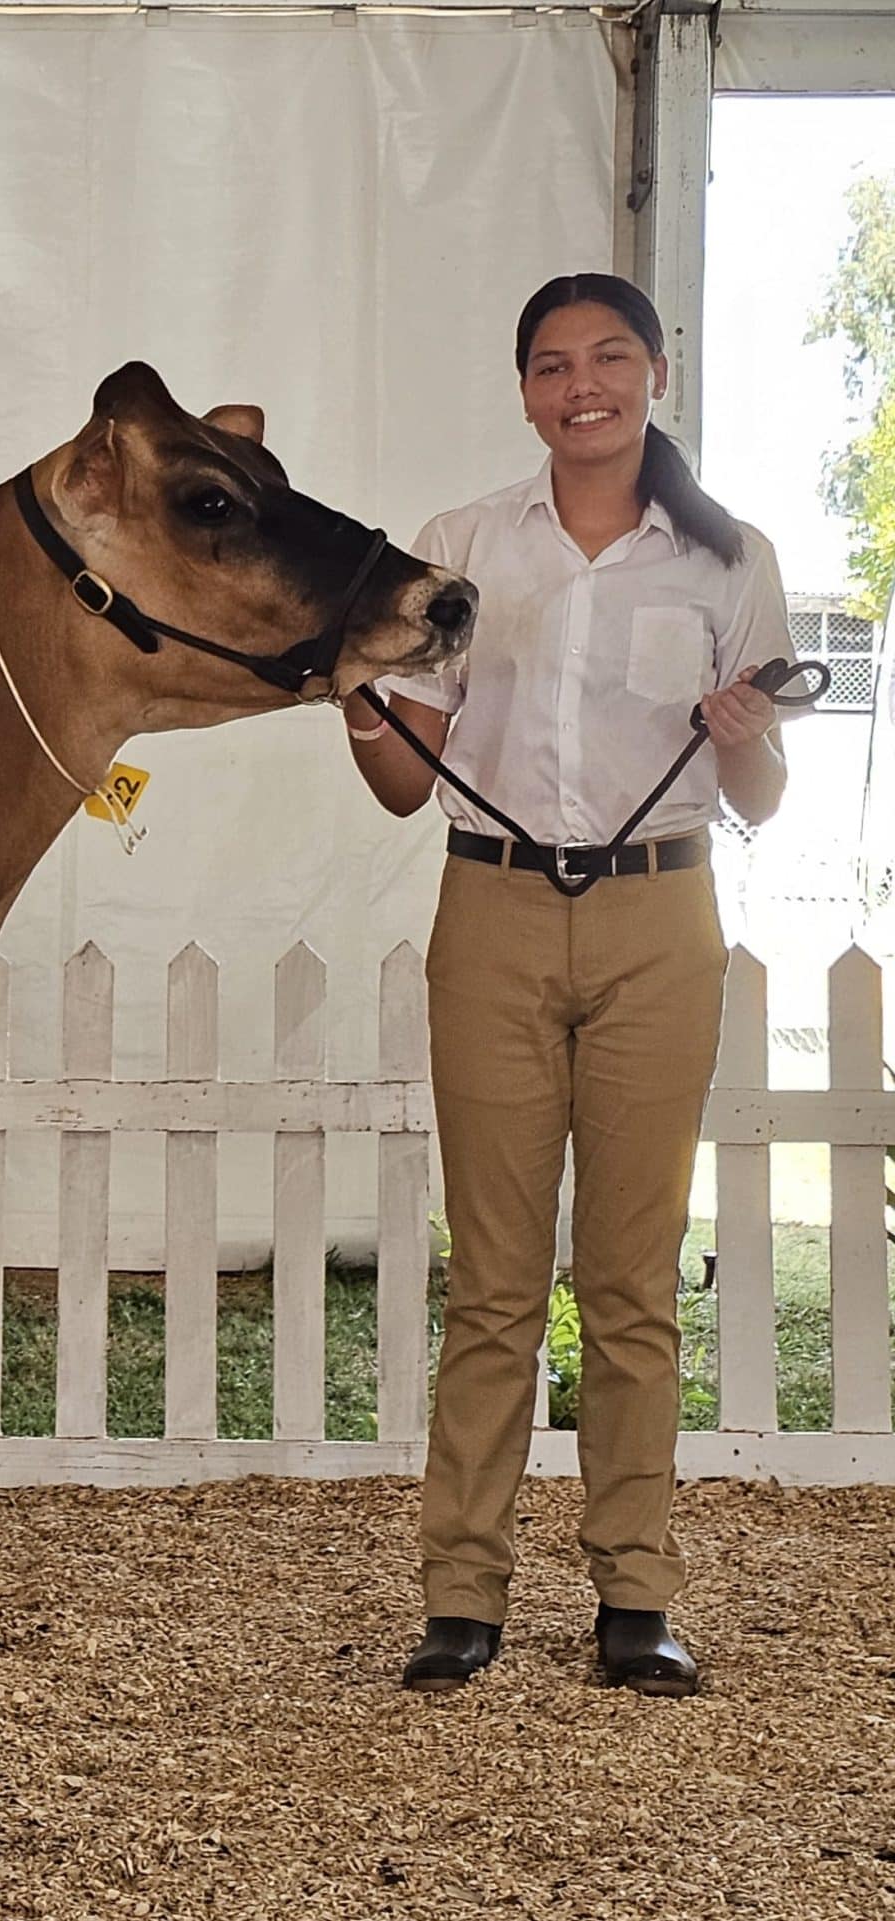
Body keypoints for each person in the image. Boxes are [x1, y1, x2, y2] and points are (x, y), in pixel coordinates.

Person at [347, 272, 791, 1697]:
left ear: (658, 372)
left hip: (665, 917)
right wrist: (362, 706)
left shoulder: (731, 562)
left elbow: (766, 796)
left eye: (609, 355)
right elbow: (405, 786)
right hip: (492, 907)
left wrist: (738, 737)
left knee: (630, 1275)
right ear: (526, 389)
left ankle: (636, 1597)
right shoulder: (463, 546)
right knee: (491, 1274)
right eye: (552, 362)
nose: (581, 382)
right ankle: (461, 1595)